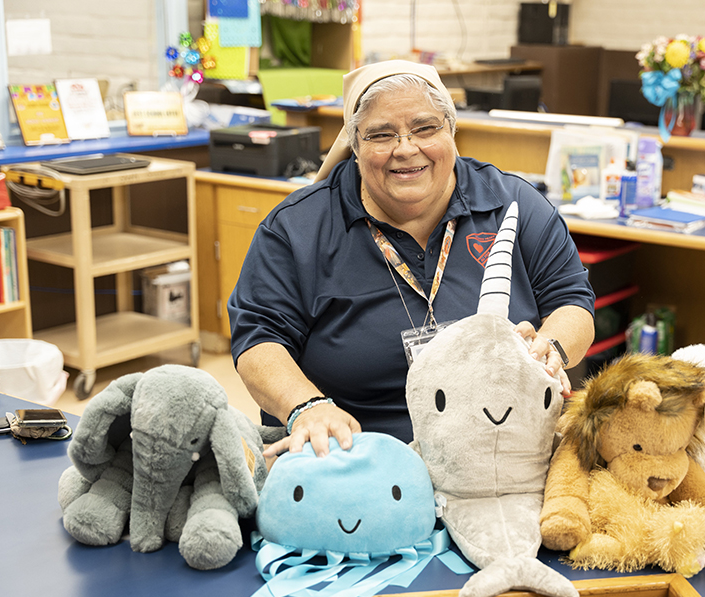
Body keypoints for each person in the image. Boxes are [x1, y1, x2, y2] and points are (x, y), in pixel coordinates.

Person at [229, 60, 595, 461]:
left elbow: (572, 301)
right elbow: (259, 338)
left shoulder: (514, 203)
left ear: (452, 131)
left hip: (502, 449)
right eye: (381, 135)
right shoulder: (297, 227)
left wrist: (551, 347)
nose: (405, 149)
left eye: (425, 128)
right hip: (357, 454)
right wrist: (308, 407)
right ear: (354, 145)